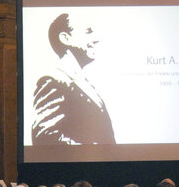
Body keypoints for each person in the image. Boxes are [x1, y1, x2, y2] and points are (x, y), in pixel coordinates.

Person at [31, 12, 116, 145]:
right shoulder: (52, 80)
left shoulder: (87, 85)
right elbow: (45, 136)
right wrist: (90, 151)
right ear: (65, 38)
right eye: (88, 31)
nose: (96, 39)